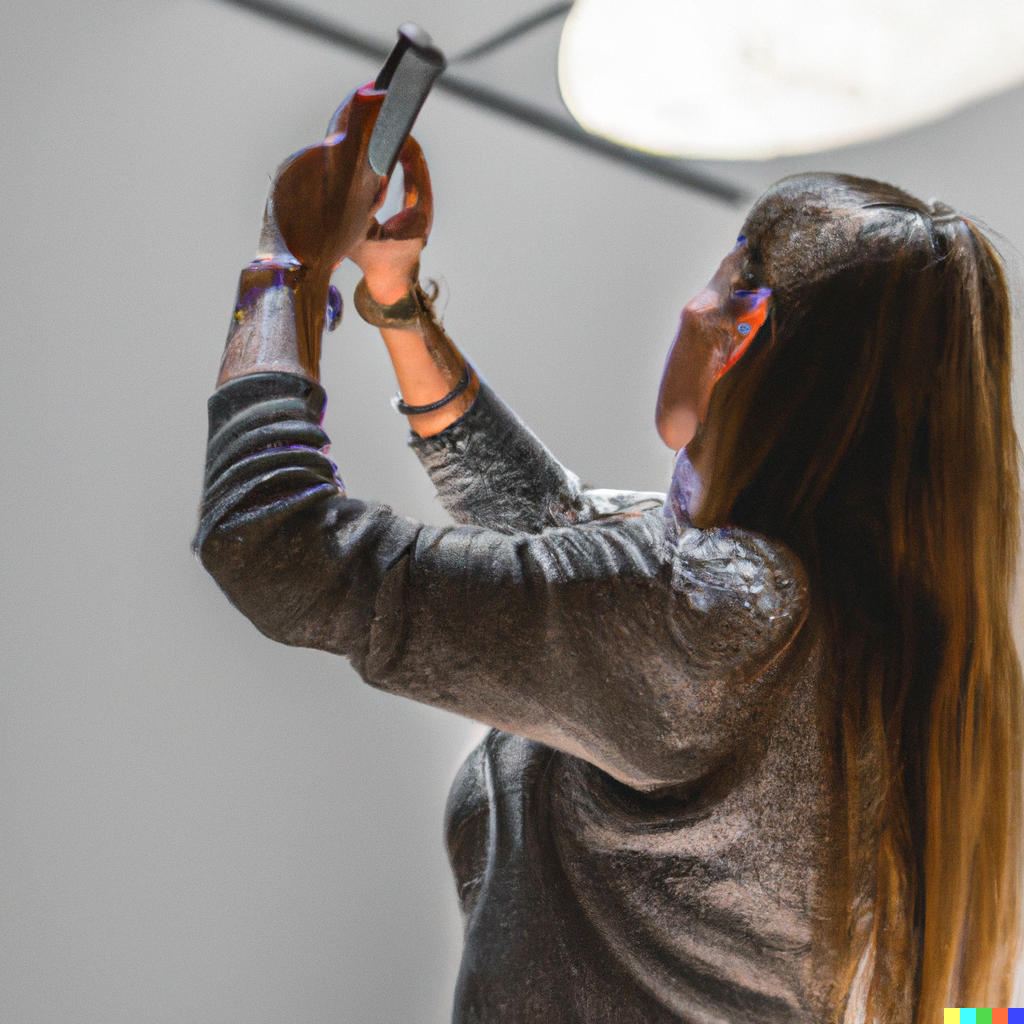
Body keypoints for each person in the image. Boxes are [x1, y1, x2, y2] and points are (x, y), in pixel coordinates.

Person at [196, 86, 1022, 1024]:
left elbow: (273, 541)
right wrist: (395, 300)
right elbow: (555, 532)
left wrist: (285, 270)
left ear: (741, 331)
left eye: (721, 273)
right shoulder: (904, 656)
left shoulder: (714, 618)